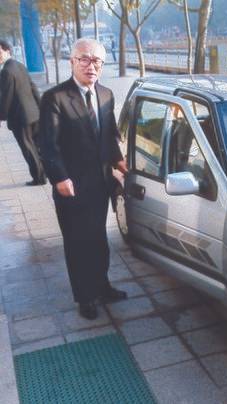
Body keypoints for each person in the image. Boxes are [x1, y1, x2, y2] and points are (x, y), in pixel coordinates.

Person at [39, 38, 128, 320]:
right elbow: (47, 145)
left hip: (100, 183)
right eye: (85, 59)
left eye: (97, 61)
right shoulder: (55, 98)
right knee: (78, 242)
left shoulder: (106, 94)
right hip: (72, 186)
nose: (92, 66)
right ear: (73, 62)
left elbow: (109, 134)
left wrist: (119, 162)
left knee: (99, 237)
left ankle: (102, 286)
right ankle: (85, 297)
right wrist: (59, 178)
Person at [0, 39, 46, 186]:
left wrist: (1, 116)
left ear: (7, 50)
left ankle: (38, 178)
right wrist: (41, 108)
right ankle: (43, 174)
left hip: (20, 117)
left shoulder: (6, 71)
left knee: (28, 148)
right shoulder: (19, 66)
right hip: (34, 113)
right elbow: (33, 88)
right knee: (37, 145)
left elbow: (6, 97)